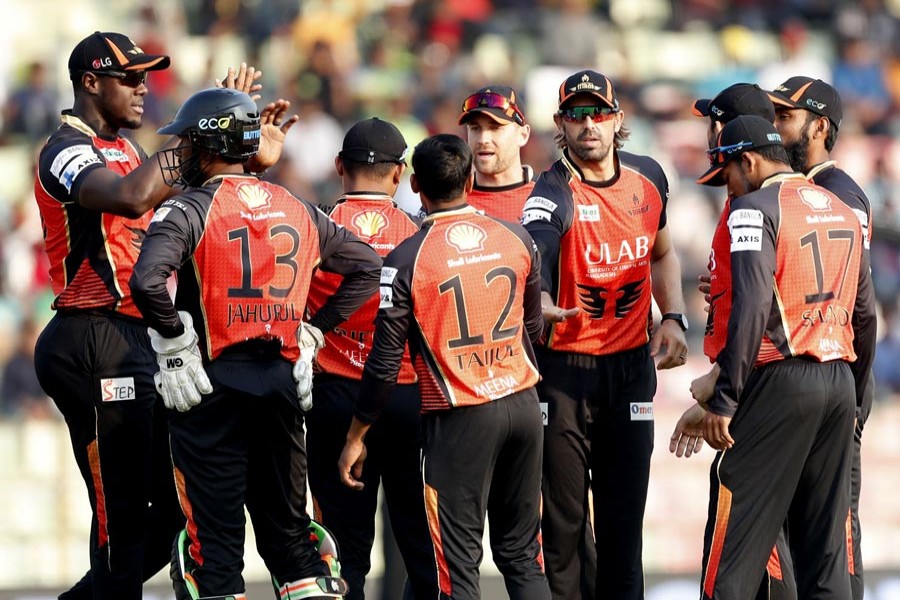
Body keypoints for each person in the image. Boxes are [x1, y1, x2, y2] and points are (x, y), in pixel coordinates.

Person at [32, 31, 272, 600]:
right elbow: (130, 197)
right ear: (90, 83)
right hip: (93, 338)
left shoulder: (132, 149)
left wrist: (226, 123)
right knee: (120, 518)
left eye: (147, 78)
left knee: (170, 506)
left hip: (137, 337)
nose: (145, 89)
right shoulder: (64, 148)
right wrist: (198, 129)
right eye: (131, 79)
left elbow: (208, 181)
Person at [129, 87, 382, 599]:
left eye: (186, 143)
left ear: (207, 145)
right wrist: (316, 329)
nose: (179, 154)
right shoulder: (298, 205)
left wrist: (174, 337)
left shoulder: (186, 209)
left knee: (213, 552)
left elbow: (146, 282)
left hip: (210, 385)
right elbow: (367, 266)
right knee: (293, 542)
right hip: (284, 384)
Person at [338, 134, 551, 600]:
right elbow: (534, 326)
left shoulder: (406, 259)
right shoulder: (516, 237)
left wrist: (356, 435)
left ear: (414, 185)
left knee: (456, 568)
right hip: (522, 403)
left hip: (461, 415)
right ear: (471, 180)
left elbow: (385, 360)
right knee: (522, 556)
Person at [690, 115, 876, 600]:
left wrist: (726, 398)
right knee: (826, 555)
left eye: (727, 172)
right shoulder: (843, 209)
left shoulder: (752, 209)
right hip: (839, 380)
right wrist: (855, 397)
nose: (727, 188)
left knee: (732, 543)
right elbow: (866, 313)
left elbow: (751, 307)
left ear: (747, 160)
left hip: (782, 378)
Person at [522, 70, 689, 600]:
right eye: (576, 115)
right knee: (565, 528)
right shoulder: (551, 192)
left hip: (629, 370)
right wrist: (543, 300)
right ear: (559, 125)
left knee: (623, 527)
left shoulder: (649, 180)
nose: (588, 124)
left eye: (598, 113)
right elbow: (539, 254)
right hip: (565, 374)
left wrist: (675, 316)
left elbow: (661, 253)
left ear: (618, 120)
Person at [304, 117, 438, 600]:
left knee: (341, 553)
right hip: (405, 399)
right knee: (420, 546)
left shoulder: (314, 226)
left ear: (340, 165)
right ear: (399, 173)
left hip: (335, 398)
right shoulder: (419, 235)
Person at [678, 84, 799, 600]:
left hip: (760, 384)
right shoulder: (765, 196)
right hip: (780, 380)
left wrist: (720, 388)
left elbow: (763, 309)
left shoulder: (752, 202)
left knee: (743, 535)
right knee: (771, 542)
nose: (710, 133)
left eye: (714, 123)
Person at [768, 76, 876, 600]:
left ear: (819, 126)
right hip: (817, 379)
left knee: (835, 534)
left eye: (785, 115)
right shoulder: (794, 190)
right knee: (802, 527)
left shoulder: (838, 193)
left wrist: (855, 392)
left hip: (833, 375)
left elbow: (861, 306)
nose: (775, 125)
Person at [458, 85, 534, 222]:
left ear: (523, 135)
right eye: (475, 128)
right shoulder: (451, 202)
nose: (483, 140)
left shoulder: (547, 199)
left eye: (495, 128)